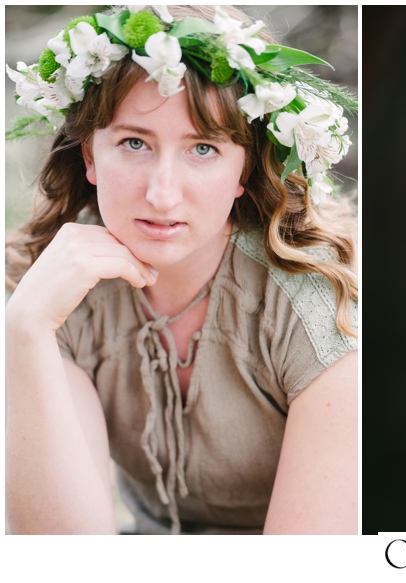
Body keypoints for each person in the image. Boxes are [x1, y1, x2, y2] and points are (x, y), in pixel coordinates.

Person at [5, 5, 358, 535]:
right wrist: (24, 328)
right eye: (134, 143)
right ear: (90, 157)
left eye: (202, 148)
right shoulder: (60, 290)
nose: (162, 194)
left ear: (244, 167)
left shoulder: (318, 306)